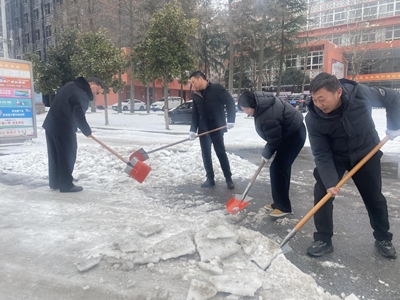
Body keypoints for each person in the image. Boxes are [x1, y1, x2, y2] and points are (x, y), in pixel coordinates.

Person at [305, 72, 400, 258]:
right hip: (335, 156)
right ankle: (323, 238)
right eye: (315, 100)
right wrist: (331, 182)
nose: (318, 104)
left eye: (322, 99)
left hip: (366, 151)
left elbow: (394, 98)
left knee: (374, 197)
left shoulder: (361, 93)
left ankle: (383, 237)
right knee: (323, 192)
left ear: (338, 92)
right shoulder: (313, 118)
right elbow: (321, 153)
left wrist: (394, 125)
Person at [238, 90, 306, 218]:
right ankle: (278, 203)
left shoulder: (267, 116)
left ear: (253, 104)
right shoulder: (262, 105)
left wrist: (266, 153)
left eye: (246, 109)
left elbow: (274, 139)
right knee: (279, 169)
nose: (245, 112)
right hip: (286, 134)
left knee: (278, 169)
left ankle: (284, 206)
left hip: (294, 135)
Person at [42, 76, 104, 193]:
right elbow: (78, 116)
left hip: (51, 125)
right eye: (97, 89)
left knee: (55, 155)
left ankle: (56, 182)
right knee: (67, 155)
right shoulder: (81, 94)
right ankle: (66, 184)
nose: (96, 93)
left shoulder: (70, 86)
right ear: (90, 84)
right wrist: (87, 131)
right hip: (64, 127)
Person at [188, 70, 236, 189]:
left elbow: (230, 102)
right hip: (203, 130)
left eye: (193, 82)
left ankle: (228, 178)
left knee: (220, 153)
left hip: (216, 128)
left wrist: (231, 119)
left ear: (201, 79)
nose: (193, 85)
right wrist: (193, 130)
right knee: (206, 155)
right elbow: (195, 114)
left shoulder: (217, 88)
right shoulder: (196, 95)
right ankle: (210, 179)